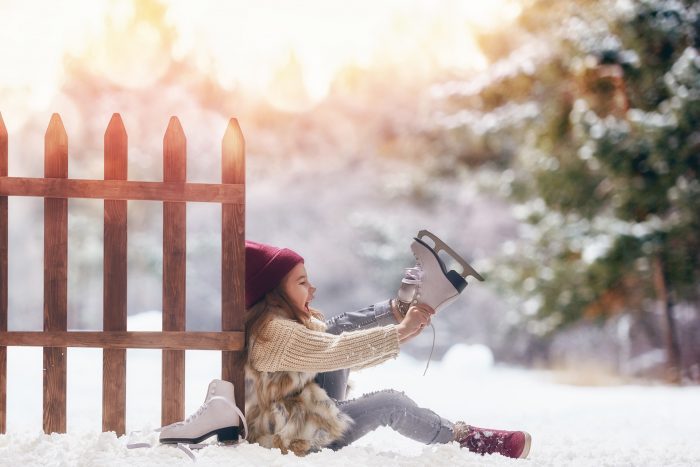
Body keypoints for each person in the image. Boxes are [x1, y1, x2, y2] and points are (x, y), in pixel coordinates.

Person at [242, 240, 532, 458]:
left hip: (302, 410)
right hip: (295, 435)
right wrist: (400, 333)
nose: (313, 289)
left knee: (334, 328)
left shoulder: (278, 322)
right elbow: (334, 352)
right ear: (274, 291)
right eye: (302, 282)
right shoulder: (274, 333)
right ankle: (470, 440)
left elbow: (339, 353)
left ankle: (404, 305)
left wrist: (400, 331)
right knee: (390, 403)